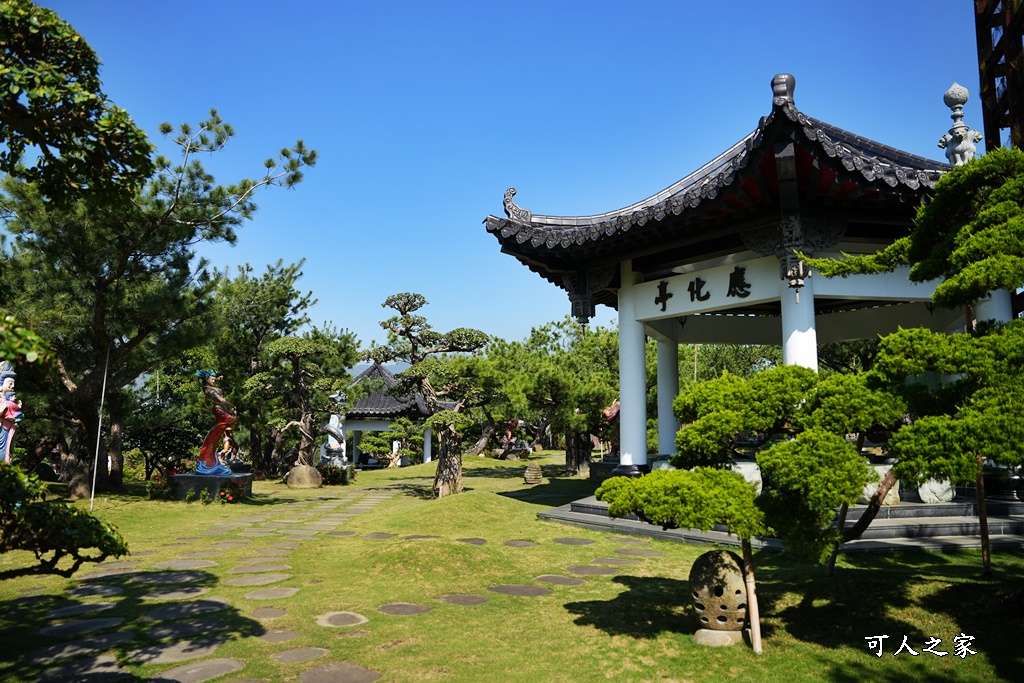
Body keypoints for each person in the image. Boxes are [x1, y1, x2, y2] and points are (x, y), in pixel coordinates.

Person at [195, 370, 234, 476]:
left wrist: (218, 378)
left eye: (214, 379)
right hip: (218, 409)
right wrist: (230, 404)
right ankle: (208, 463)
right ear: (207, 380)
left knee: (224, 425)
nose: (214, 380)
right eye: (212, 379)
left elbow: (214, 380)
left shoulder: (211, 385)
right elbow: (220, 399)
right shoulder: (209, 390)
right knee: (228, 420)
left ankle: (212, 461)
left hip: (222, 408)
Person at [0, 363, 22, 464]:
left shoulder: (11, 400)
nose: (12, 386)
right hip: (2, 428)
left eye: (13, 384)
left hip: (8, 430)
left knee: (8, 452)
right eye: (10, 384)